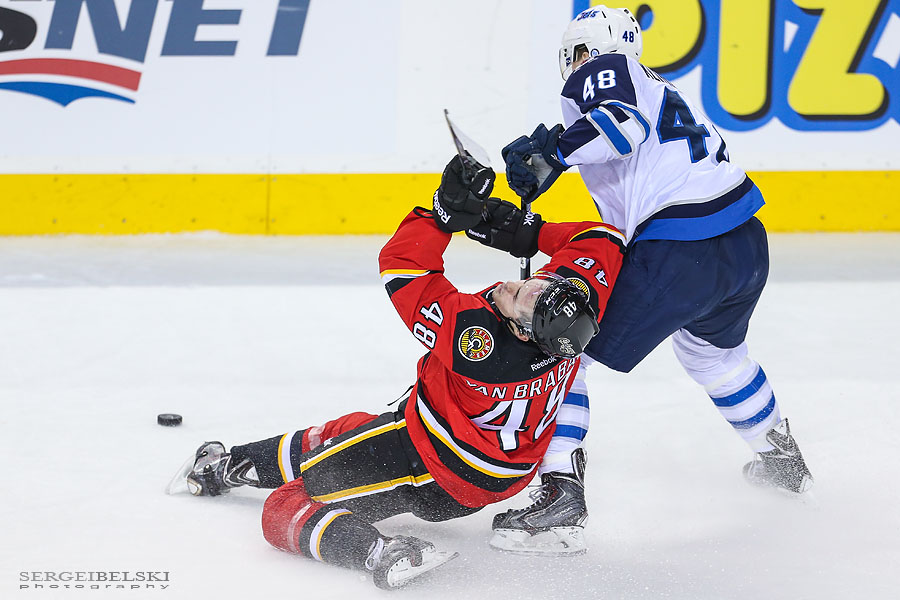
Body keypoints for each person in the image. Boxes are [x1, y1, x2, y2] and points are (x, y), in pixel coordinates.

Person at [172, 155, 626, 589]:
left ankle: (381, 553)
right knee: (347, 430)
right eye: (538, 282)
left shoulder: (477, 342)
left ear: (523, 334)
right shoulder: (578, 307)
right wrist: (523, 231)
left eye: (524, 301)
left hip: (434, 464)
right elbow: (602, 237)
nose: (521, 285)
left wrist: (441, 216)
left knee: (286, 506)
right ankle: (228, 467)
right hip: (501, 467)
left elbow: (403, 265)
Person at [484, 5, 814, 554]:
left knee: (562, 351)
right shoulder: (660, 90)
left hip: (682, 248)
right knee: (715, 357)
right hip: (743, 243)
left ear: (587, 50)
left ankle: (562, 502)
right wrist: (544, 213)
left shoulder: (601, 71)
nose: (577, 65)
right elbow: (619, 223)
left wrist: (552, 151)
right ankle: (785, 462)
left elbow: (621, 125)